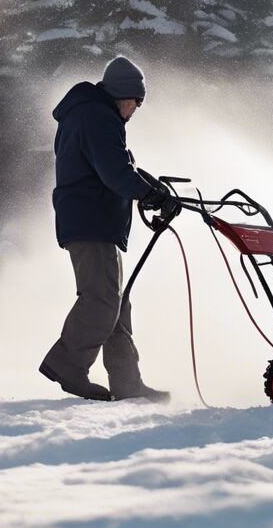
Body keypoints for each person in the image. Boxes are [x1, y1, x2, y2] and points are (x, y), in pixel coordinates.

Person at [39, 56, 177, 402]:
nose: (136, 110)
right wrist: (150, 195)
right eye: (136, 102)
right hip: (91, 222)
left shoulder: (91, 114)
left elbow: (120, 165)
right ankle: (67, 364)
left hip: (94, 220)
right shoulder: (98, 117)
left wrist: (152, 188)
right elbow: (114, 174)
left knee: (117, 303)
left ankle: (127, 382)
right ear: (125, 96)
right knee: (101, 300)